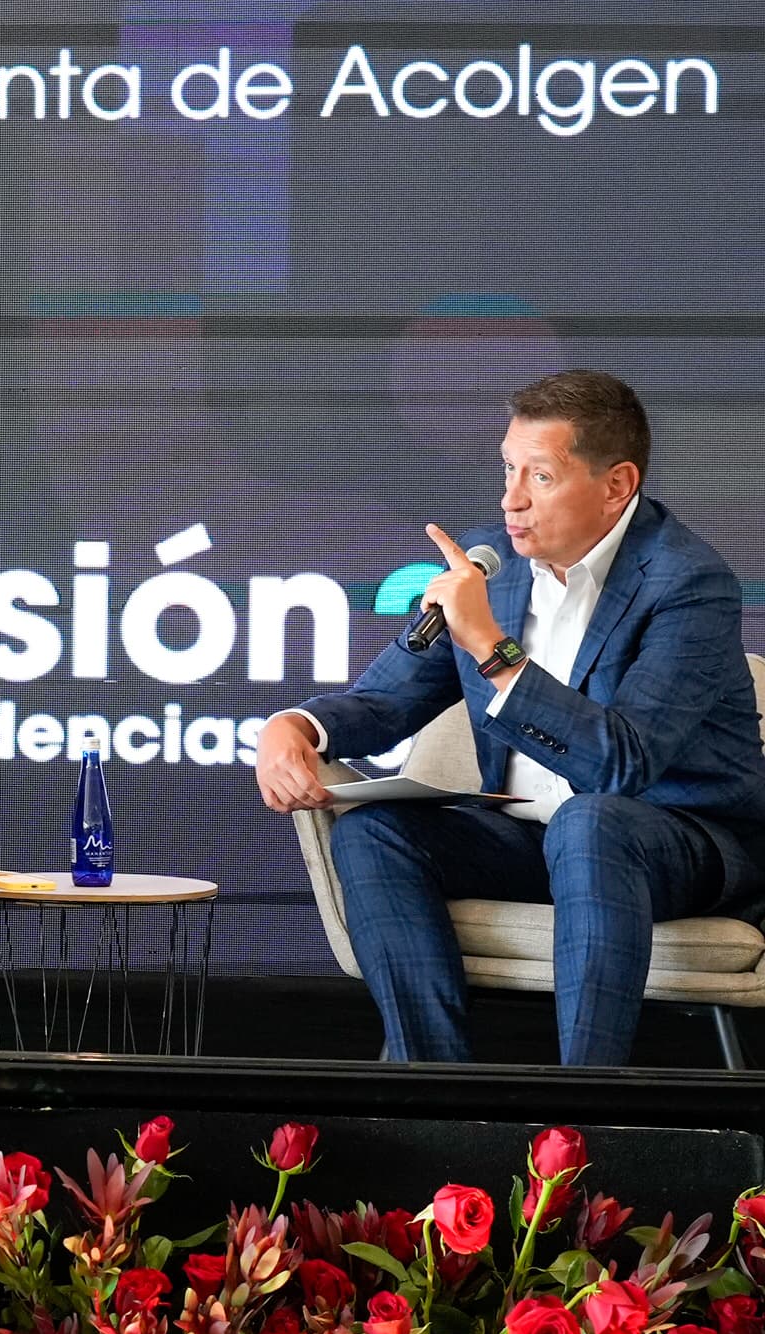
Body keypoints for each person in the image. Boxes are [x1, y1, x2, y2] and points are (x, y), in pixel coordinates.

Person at [257, 369, 765, 1065]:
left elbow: (623, 763)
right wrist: (295, 726)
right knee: (375, 832)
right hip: (537, 836)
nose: (511, 500)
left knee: (593, 821)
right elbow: (389, 699)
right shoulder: (492, 568)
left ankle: (581, 1110)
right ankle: (436, 1094)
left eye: (542, 477)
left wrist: (491, 649)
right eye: (507, 469)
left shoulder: (688, 583)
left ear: (616, 485)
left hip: (684, 844)